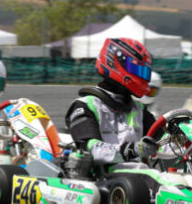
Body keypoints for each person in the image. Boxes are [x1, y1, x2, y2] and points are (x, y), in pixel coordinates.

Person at [65, 37, 159, 169]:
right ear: (115, 63)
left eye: (144, 72)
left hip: (140, 178)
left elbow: (164, 145)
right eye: (137, 70)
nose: (141, 77)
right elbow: (93, 150)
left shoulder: (139, 110)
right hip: (105, 179)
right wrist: (134, 149)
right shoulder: (84, 106)